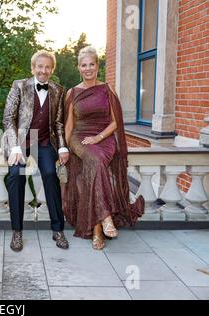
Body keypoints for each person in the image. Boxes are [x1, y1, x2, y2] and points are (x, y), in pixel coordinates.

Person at [62, 46, 144, 250]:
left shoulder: (108, 89)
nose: (88, 68)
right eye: (84, 65)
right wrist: (64, 147)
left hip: (104, 137)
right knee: (96, 161)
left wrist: (99, 137)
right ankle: (106, 217)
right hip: (79, 137)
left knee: (92, 169)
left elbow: (117, 121)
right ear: (78, 67)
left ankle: (97, 231)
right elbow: (69, 125)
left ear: (97, 65)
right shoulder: (72, 92)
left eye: (91, 64)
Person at [3, 50, 70, 252]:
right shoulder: (19, 86)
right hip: (21, 143)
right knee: (16, 176)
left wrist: (62, 147)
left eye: (47, 67)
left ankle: (58, 230)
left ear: (52, 69)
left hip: (43, 143)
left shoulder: (58, 90)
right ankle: (17, 231)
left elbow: (58, 123)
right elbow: (8, 118)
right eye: (39, 66)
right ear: (33, 68)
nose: (43, 70)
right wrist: (14, 146)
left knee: (51, 175)